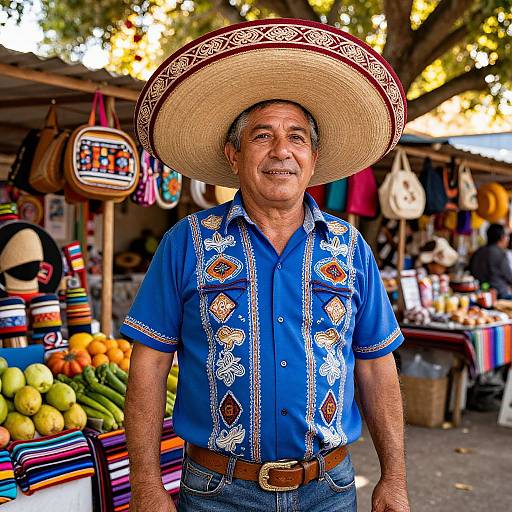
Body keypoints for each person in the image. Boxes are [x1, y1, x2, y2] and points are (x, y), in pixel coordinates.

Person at [121, 19, 409, 512]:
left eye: (297, 137)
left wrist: (395, 479)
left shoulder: (349, 247)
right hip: (217, 492)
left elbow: (377, 364)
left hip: (331, 489)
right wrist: (146, 486)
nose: (282, 151)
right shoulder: (187, 242)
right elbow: (149, 366)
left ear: (313, 159)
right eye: (262, 136)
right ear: (233, 155)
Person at [470, 223, 512, 299]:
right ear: (502, 237)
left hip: (480, 293)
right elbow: (509, 276)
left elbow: (471, 271)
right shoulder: (500, 253)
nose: (508, 239)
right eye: (506, 236)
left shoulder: (478, 252)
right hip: (499, 294)